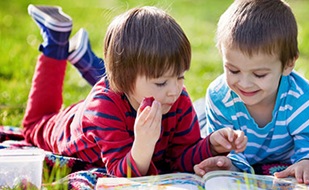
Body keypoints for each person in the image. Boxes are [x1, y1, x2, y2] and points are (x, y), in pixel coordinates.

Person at [23, 5, 247, 177]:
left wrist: (210, 146)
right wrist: (143, 145)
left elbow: (179, 158)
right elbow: (121, 174)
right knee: (33, 124)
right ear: (123, 81)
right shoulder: (103, 108)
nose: (175, 90)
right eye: (161, 83)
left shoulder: (177, 98)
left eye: (180, 76)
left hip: (121, 98)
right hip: (61, 128)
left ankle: (84, 58)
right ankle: (56, 41)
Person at [193, 0, 309, 187]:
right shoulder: (219, 97)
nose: (244, 83)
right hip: (204, 115)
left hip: (286, 136)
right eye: (233, 70)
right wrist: (228, 163)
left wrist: (308, 162)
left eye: (259, 74)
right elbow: (221, 148)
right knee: (195, 121)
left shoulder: (300, 97)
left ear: (288, 63)